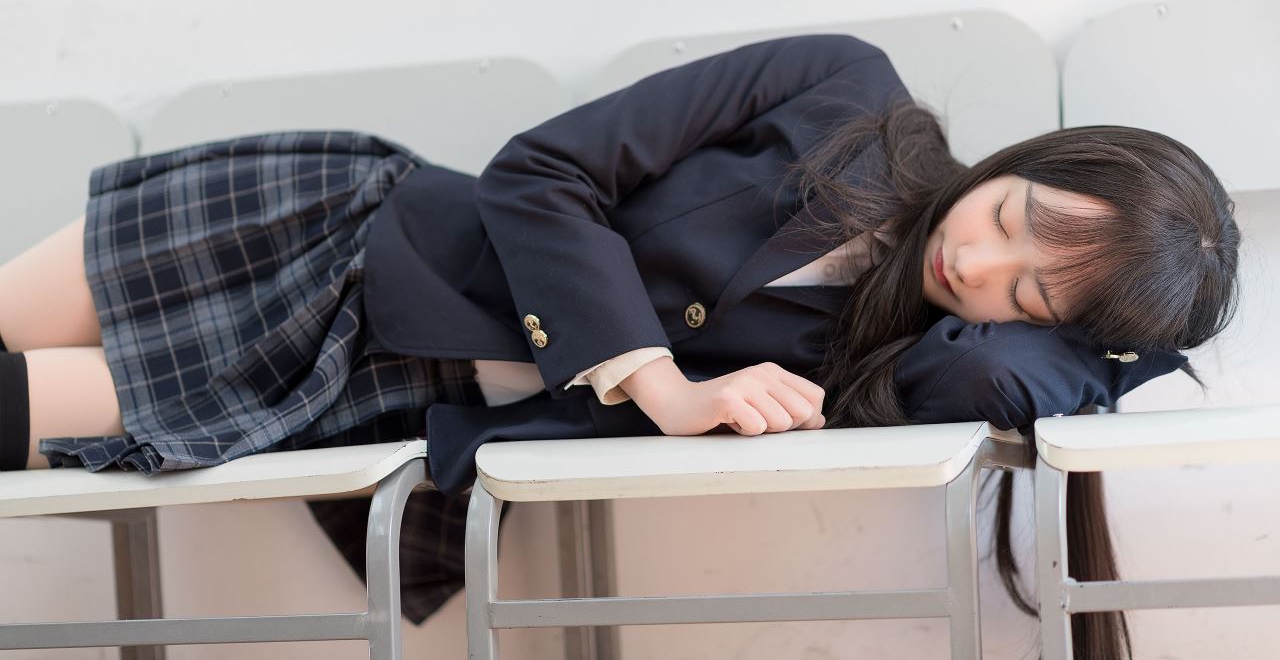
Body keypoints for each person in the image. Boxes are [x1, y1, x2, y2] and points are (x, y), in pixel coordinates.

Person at [0, 34, 1239, 659]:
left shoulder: (911, 361)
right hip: (347, 236)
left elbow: (1009, 382)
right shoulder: (843, 89)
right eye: (1009, 216)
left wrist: (1119, 346)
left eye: (1029, 292)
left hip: (389, 381)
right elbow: (542, 171)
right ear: (1021, 160)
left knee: (23, 416)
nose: (977, 265)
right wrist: (661, 385)